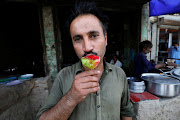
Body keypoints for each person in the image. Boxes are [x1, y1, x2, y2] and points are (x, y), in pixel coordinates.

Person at [37, 2, 135, 120]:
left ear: (105, 38)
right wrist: (71, 97)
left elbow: (126, 112)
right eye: (78, 39)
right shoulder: (63, 76)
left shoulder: (120, 74)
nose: (87, 47)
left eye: (93, 36)